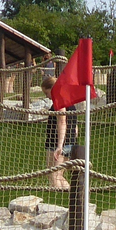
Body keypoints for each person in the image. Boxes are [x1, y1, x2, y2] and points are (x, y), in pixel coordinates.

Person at [43, 58, 70, 190]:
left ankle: (60, 198)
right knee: (58, 175)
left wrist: (59, 146)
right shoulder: (68, 100)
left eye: (47, 93)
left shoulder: (59, 101)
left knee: (54, 176)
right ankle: (68, 195)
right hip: (68, 141)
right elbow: (74, 124)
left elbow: (62, 121)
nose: (47, 96)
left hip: (57, 143)